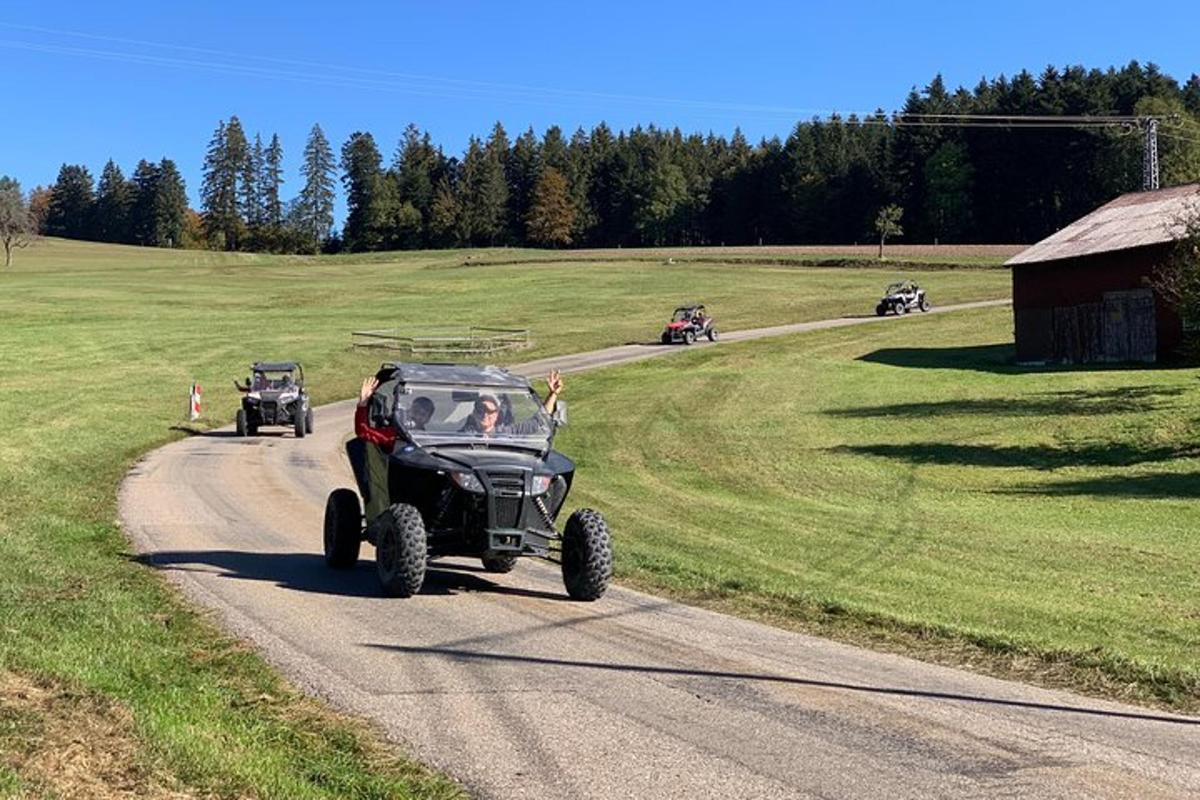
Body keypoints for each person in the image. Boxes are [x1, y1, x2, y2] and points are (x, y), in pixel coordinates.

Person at [462, 370, 563, 436]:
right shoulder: (461, 436)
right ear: (474, 413)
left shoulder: (507, 433)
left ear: (497, 414)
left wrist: (553, 394)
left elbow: (538, 422)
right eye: (481, 409)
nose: (485, 414)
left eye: (490, 411)